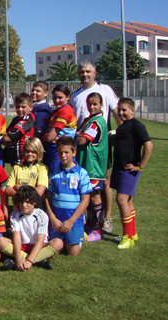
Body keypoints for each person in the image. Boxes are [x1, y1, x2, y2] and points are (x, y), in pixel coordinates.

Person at [70, 60, 121, 233]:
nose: (85, 74)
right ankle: (86, 217)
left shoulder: (105, 90)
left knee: (104, 181)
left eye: (88, 71)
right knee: (83, 182)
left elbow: (116, 113)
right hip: (81, 147)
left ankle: (106, 218)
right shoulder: (75, 95)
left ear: (94, 73)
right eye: (82, 71)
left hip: (99, 147)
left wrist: (123, 135)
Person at [111, 98, 153, 249]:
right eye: (119, 110)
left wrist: (140, 166)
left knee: (121, 200)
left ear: (132, 110)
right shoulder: (123, 126)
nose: (121, 113)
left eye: (124, 110)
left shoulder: (136, 125)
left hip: (129, 170)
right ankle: (132, 233)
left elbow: (148, 145)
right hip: (119, 168)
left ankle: (127, 236)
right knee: (127, 201)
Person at [0, 186, 63, 271]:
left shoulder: (42, 215)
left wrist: (29, 261)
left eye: (27, 202)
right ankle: (39, 260)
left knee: (58, 243)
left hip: (39, 247)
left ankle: (27, 260)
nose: (24, 205)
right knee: (0, 241)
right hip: (22, 246)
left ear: (34, 202)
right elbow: (16, 238)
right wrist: (18, 258)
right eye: (21, 202)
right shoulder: (15, 214)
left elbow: (40, 241)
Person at [46, 136, 92, 256]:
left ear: (74, 153)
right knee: (56, 249)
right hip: (57, 221)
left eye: (66, 152)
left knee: (73, 253)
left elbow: (85, 201)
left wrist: (71, 221)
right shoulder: (54, 172)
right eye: (60, 152)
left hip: (73, 220)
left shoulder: (82, 173)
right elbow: (48, 198)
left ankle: (79, 238)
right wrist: (53, 219)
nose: (63, 155)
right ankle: (66, 239)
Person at [75, 93, 109, 242]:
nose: (92, 107)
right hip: (87, 165)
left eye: (95, 104)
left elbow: (82, 140)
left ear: (101, 105)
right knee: (88, 196)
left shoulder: (97, 122)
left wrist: (77, 134)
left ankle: (98, 229)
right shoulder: (90, 120)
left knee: (95, 196)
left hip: (93, 166)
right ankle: (90, 224)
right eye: (90, 104)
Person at [6, 138, 48, 210]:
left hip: (35, 209)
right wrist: (30, 191)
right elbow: (8, 190)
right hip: (18, 209)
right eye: (27, 151)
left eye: (33, 152)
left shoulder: (42, 168)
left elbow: (39, 191)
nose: (30, 154)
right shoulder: (16, 168)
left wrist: (19, 187)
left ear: (39, 152)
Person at [43, 85, 77, 173]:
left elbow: (49, 137)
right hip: (54, 150)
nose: (57, 101)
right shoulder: (56, 111)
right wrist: (46, 137)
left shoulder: (66, 111)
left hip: (60, 151)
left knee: (58, 177)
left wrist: (47, 137)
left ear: (68, 97)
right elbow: (47, 136)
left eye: (60, 98)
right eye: (54, 97)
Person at [2, 93, 36, 167]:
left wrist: (8, 139)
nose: (20, 110)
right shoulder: (16, 119)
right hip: (14, 159)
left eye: (23, 107)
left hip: (23, 159)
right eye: (18, 107)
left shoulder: (27, 119)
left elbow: (8, 137)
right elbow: (4, 135)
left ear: (31, 107)